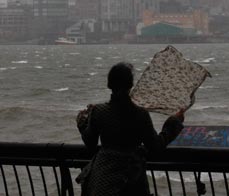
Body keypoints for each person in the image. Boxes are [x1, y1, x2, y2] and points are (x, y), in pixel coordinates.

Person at [76, 62, 184, 196]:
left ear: (109, 85)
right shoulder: (140, 114)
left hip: (103, 181)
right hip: (132, 180)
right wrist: (174, 122)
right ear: (131, 85)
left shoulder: (99, 111)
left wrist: (82, 122)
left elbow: (90, 143)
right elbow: (155, 146)